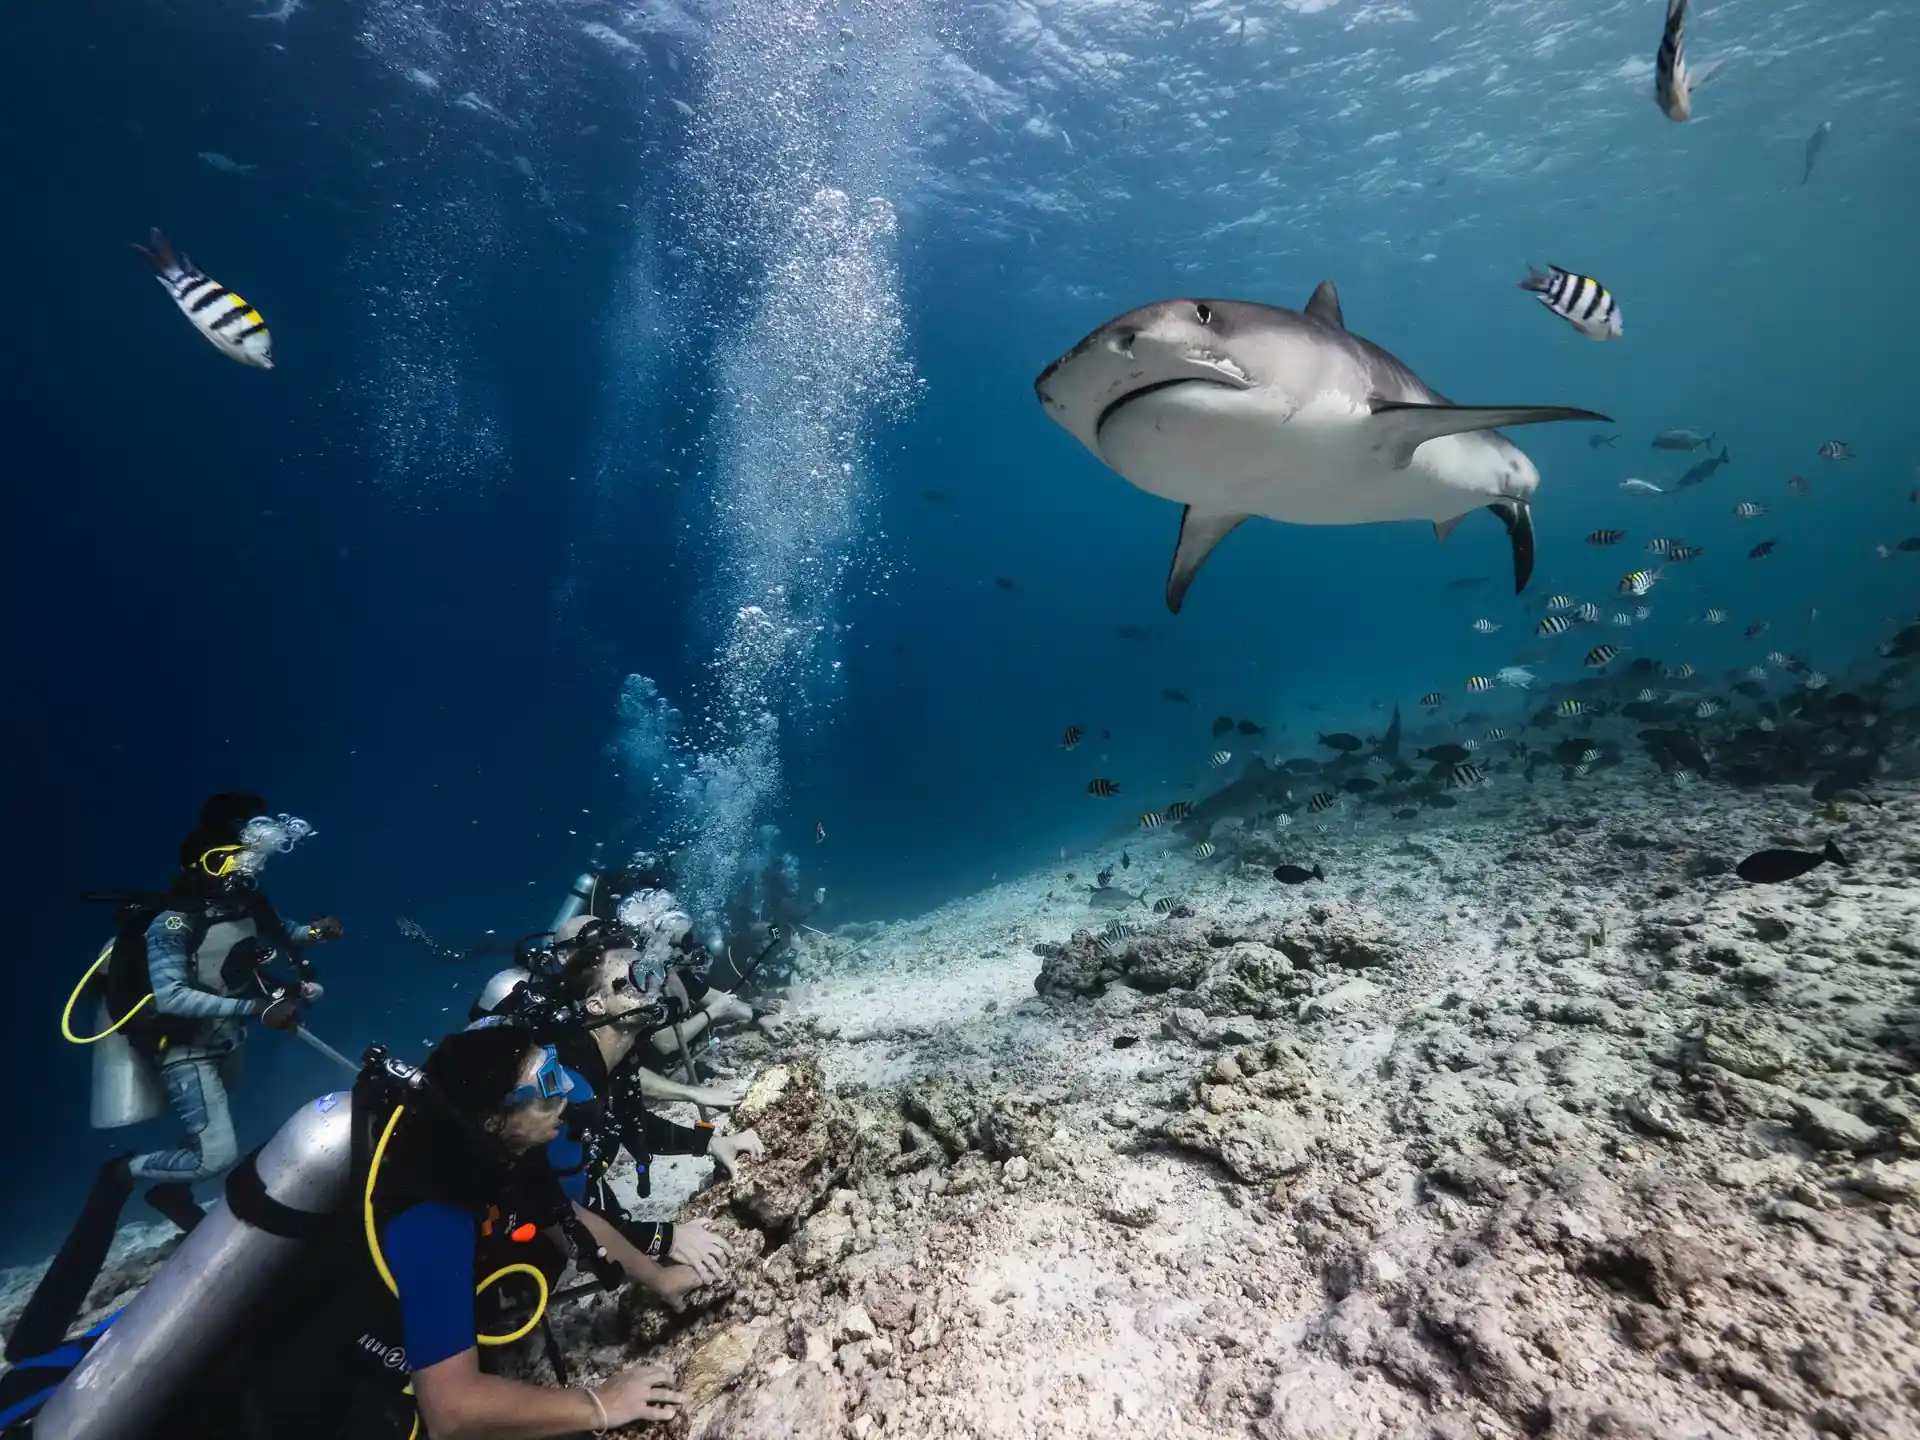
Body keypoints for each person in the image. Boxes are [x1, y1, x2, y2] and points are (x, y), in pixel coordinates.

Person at [122, 792, 339, 1229]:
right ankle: (124, 1170)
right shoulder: (173, 923)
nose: (236, 873)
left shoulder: (247, 905)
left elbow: (287, 933)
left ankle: (172, 1191)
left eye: (240, 861)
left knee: (207, 1127)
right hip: (186, 1049)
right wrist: (256, 1007)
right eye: (220, 863)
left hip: (229, 1040)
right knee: (215, 1156)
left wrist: (318, 931)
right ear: (195, 868)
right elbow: (171, 997)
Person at [541, 919, 762, 1301]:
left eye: (653, 970)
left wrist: (712, 1143)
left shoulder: (614, 1059)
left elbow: (634, 1123)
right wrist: (666, 1239)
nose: (654, 983)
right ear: (596, 1004)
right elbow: (558, 1212)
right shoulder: (567, 1085)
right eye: (636, 976)